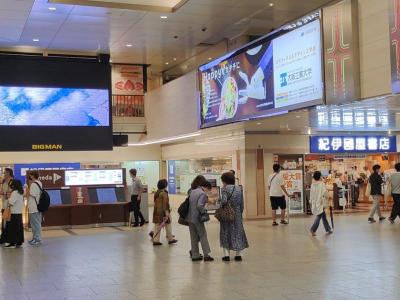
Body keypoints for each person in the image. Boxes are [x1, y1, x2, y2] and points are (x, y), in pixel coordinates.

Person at [220, 172, 248, 261]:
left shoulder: (224, 189)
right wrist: (239, 213)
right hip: (237, 213)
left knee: (226, 232)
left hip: (227, 213)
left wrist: (218, 203)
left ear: (224, 181)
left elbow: (224, 201)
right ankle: (238, 255)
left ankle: (226, 255)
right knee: (238, 232)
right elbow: (242, 203)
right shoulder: (239, 188)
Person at [185, 175, 214, 262]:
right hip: (198, 218)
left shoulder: (192, 191)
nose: (208, 192)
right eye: (208, 190)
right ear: (206, 187)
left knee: (193, 237)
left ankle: (195, 255)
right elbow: (200, 205)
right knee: (203, 235)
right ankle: (206, 255)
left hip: (190, 218)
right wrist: (204, 211)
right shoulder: (202, 193)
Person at [152, 179, 177, 246]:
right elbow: (165, 204)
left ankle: (155, 240)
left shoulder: (156, 192)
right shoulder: (164, 193)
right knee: (168, 225)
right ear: (165, 185)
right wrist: (167, 213)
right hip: (162, 212)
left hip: (156, 211)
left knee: (157, 225)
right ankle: (170, 239)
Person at [310, 171, 333, 236]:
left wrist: (311, 201)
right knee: (319, 216)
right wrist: (329, 197)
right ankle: (313, 229)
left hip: (315, 202)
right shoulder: (321, 184)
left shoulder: (312, 184)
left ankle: (328, 229)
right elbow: (325, 193)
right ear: (320, 176)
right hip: (321, 202)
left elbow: (311, 194)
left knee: (323, 216)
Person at [4, 179, 24, 249]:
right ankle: (19, 242)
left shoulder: (15, 192)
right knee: (18, 228)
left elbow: (11, 202)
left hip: (13, 213)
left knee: (12, 229)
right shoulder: (21, 192)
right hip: (19, 212)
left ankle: (12, 243)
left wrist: (8, 198)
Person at [27, 170, 43, 245]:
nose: (30, 176)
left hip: (34, 207)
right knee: (36, 224)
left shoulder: (34, 184)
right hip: (37, 207)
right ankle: (35, 238)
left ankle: (37, 239)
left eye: (31, 175)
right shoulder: (39, 183)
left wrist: (27, 189)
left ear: (33, 175)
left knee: (35, 224)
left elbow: (32, 194)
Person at [0, 168, 13, 244]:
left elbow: (10, 194)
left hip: (9, 206)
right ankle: (3, 237)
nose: (4, 174)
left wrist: (4, 194)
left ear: (8, 173)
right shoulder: (4, 182)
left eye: (5, 173)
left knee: (8, 223)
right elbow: (3, 192)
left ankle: (8, 238)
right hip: (4, 206)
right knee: (3, 223)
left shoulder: (12, 182)